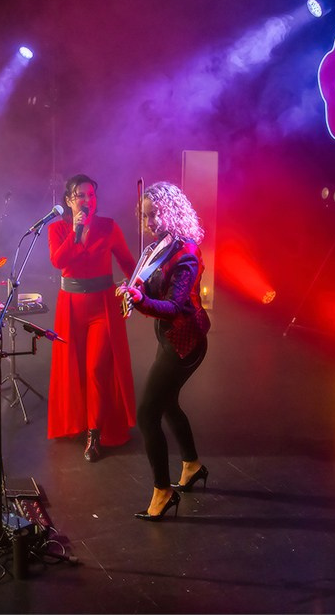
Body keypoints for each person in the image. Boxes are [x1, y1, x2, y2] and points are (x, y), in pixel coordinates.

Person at [116, 181, 211, 521]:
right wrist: (132, 287)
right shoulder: (162, 246)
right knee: (167, 403)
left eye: (153, 215)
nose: (148, 223)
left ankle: (162, 491)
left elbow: (174, 306)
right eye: (143, 216)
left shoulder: (185, 254)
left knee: (147, 414)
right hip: (169, 337)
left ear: (170, 212)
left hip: (185, 341)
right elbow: (146, 280)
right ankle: (192, 465)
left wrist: (140, 301)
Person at [47, 174, 137, 462]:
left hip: (102, 305)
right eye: (81, 196)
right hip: (70, 305)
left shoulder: (108, 227)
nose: (88, 201)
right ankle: (75, 423)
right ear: (69, 200)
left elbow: (127, 262)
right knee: (72, 368)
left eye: (91, 195)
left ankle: (95, 433)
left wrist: (135, 285)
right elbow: (59, 262)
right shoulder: (57, 229)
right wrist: (76, 232)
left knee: (97, 367)